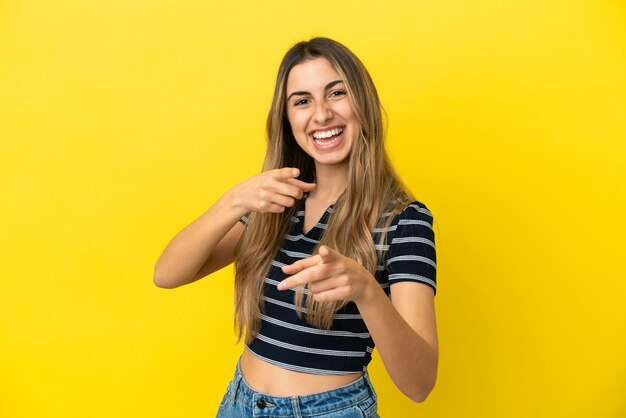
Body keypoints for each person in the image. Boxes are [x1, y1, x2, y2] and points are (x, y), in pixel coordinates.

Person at [154, 37, 438, 417]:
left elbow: (419, 384)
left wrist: (366, 290)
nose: (321, 115)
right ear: (287, 119)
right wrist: (234, 201)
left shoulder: (404, 221)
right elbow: (167, 274)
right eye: (302, 101)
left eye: (336, 93)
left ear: (363, 103)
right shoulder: (277, 202)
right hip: (240, 404)